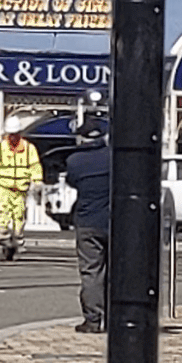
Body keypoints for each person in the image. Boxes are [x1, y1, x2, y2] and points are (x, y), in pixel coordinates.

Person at [63, 117, 112, 333]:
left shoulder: (75, 161)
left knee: (91, 271)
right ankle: (114, 318)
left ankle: (93, 319)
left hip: (87, 221)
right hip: (114, 220)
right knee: (116, 271)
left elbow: (71, 181)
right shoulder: (113, 157)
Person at [0, 123, 42, 260]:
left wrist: (37, 181)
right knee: (4, 211)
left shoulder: (28, 149)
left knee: (19, 214)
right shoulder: (0, 148)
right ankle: (4, 238)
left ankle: (18, 240)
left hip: (21, 187)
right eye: (10, 134)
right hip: (5, 186)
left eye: (15, 134)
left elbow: (34, 166)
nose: (12, 137)